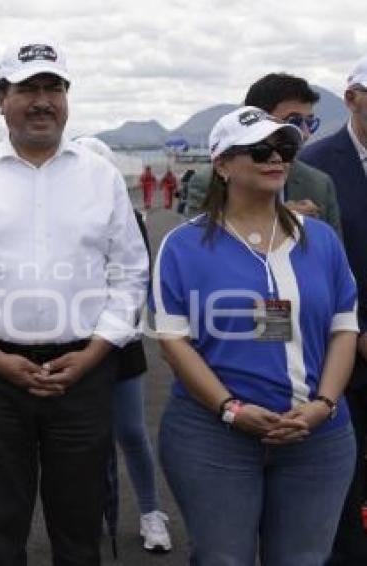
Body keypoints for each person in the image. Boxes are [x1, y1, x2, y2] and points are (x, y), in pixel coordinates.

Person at [0, 41, 149, 565]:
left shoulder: (101, 178)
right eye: (28, 89)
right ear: (1, 98)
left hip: (84, 371)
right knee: (2, 526)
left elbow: (131, 274)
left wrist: (94, 353)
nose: (42, 101)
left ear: (67, 98)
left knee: (78, 526)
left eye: (54, 88)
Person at [153, 106, 358, 564]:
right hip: (213, 437)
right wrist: (231, 409)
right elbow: (173, 341)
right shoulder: (184, 245)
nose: (276, 158)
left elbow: (344, 327)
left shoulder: (320, 239)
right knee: (223, 558)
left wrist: (323, 406)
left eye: (284, 147)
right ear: (222, 164)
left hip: (318, 437)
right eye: (259, 149)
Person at [74, 137, 172, 553]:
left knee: (131, 432)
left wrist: (110, 329)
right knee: (81, 438)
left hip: (118, 342)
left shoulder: (129, 216)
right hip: (71, 342)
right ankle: (87, 513)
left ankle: (151, 512)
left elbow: (135, 281)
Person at [299, 54, 367, 565]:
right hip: (343, 351)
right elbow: (325, 263)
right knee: (344, 487)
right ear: (351, 98)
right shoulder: (315, 168)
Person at [183, 73, 342, 237]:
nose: (306, 134)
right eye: (294, 121)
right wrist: (277, 218)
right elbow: (197, 246)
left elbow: (333, 254)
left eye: (310, 123)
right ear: (256, 119)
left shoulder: (319, 184)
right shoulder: (207, 181)